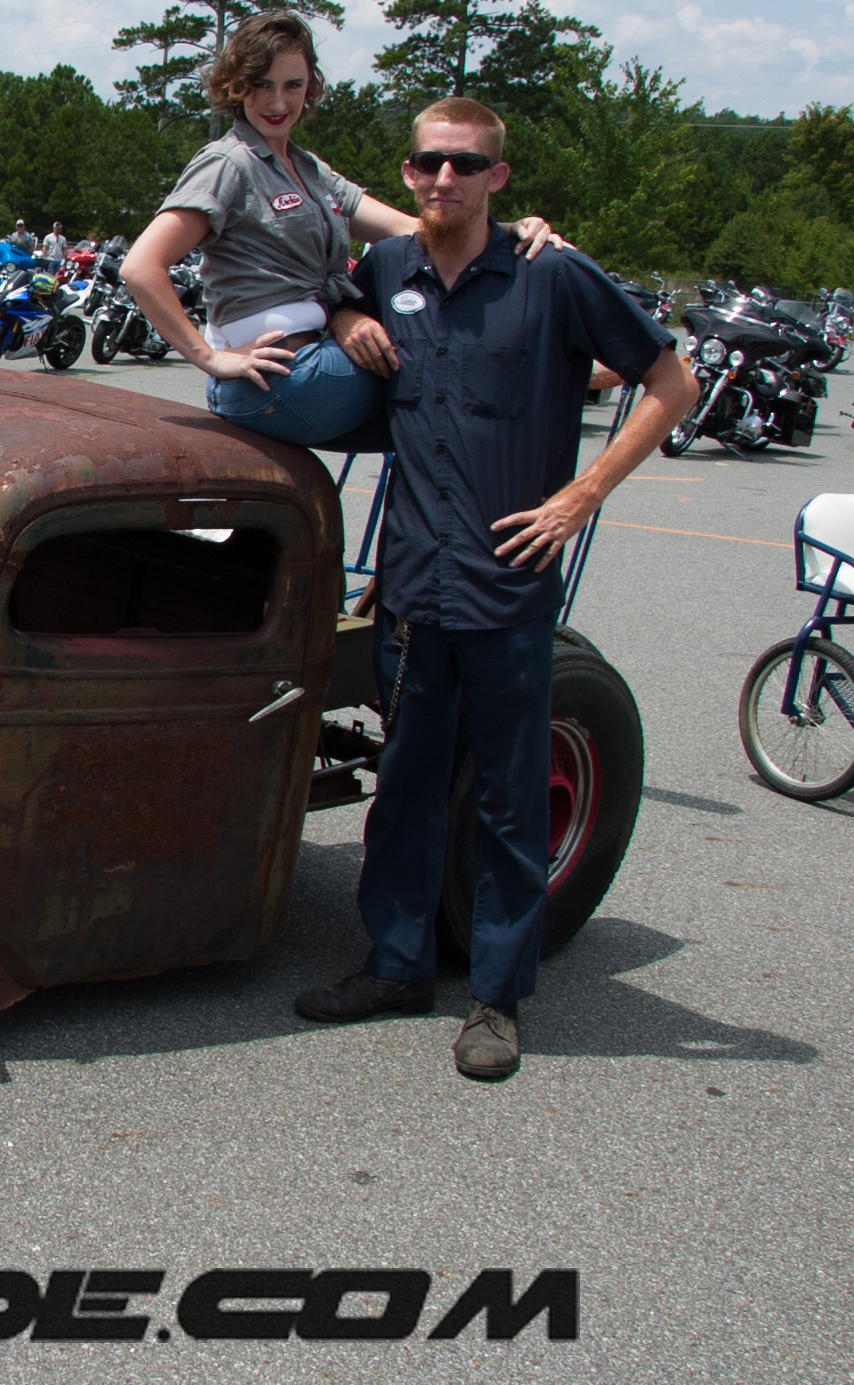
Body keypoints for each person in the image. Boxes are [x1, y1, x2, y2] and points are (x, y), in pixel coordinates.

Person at [291, 96, 698, 1081]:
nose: (445, 178)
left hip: (508, 588)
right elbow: (328, 297)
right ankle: (394, 966)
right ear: (408, 172)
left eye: (465, 164)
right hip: (412, 582)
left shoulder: (552, 273)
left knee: (509, 800)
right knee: (405, 787)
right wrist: (347, 318)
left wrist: (583, 496)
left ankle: (496, 998)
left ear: (497, 177)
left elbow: (670, 383)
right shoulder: (389, 268)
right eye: (429, 162)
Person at [123, 13, 558, 448]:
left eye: (293, 85)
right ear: (236, 86)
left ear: (310, 87)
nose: (278, 102)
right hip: (284, 379)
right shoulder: (228, 163)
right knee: (447, 382)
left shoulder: (309, 169)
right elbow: (141, 267)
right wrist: (210, 358)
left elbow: (410, 230)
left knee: (448, 411)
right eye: (261, 85)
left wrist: (510, 230)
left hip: (317, 365)